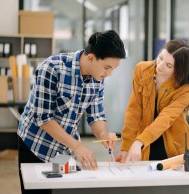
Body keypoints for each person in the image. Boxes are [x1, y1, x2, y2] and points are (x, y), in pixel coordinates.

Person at [17, 30, 126, 194]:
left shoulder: (98, 78)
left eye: (113, 69)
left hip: (64, 149)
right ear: (91, 58)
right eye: (107, 67)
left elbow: (96, 115)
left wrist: (104, 135)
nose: (109, 74)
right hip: (36, 145)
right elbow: (43, 118)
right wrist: (77, 146)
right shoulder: (52, 67)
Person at [115, 39, 189, 162]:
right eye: (160, 58)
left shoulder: (186, 90)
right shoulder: (142, 70)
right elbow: (134, 110)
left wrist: (139, 141)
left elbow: (166, 118)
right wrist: (126, 147)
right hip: (145, 144)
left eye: (168, 65)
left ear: (179, 70)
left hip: (174, 147)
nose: (160, 66)